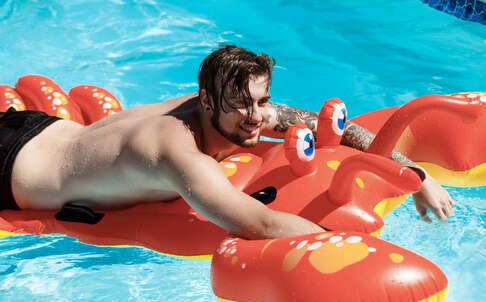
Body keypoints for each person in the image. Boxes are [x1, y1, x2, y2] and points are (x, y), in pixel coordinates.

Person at [0, 45, 453, 239]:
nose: (257, 117)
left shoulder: (240, 111)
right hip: (10, 167)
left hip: (41, 127)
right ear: (207, 101)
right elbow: (260, 225)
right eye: (241, 105)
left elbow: (325, 124)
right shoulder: (177, 153)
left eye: (263, 101)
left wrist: (416, 174)